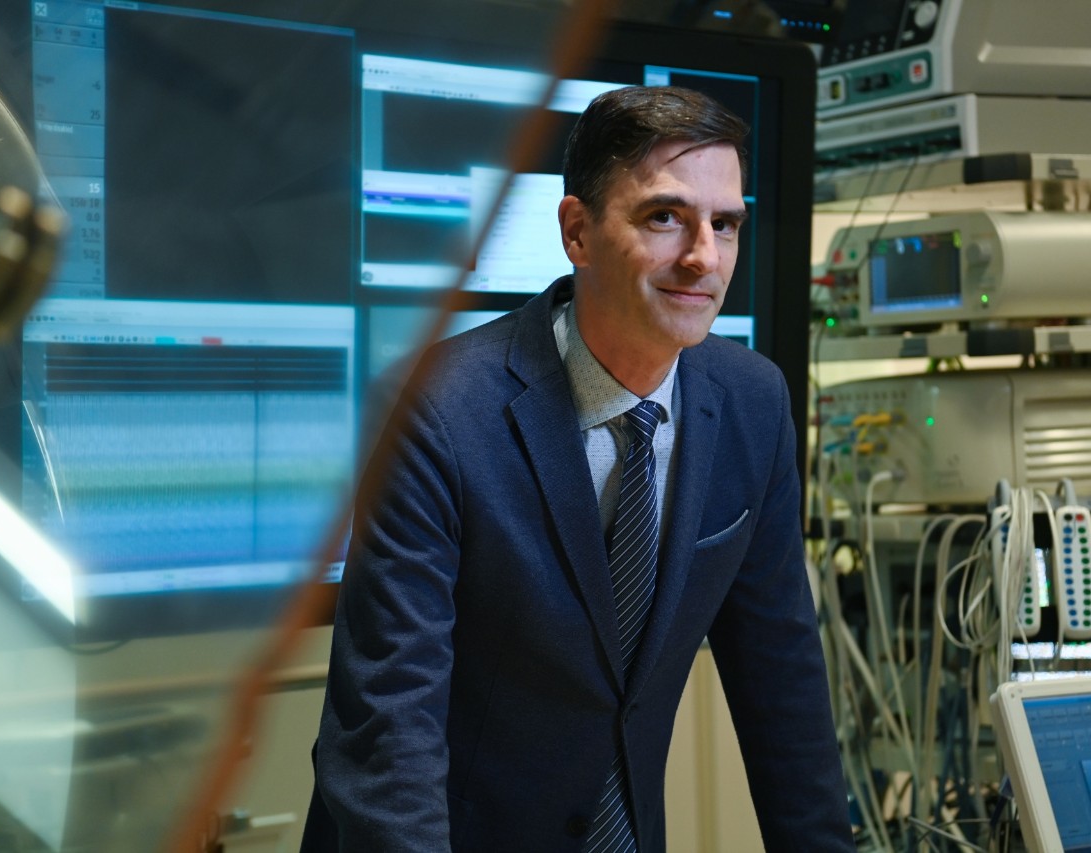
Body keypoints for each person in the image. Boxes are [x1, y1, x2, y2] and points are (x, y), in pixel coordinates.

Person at [301, 85, 854, 852]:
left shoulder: (752, 403)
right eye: (664, 217)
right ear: (577, 231)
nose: (703, 256)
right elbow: (389, 723)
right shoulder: (435, 408)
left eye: (725, 224)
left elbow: (783, 687)